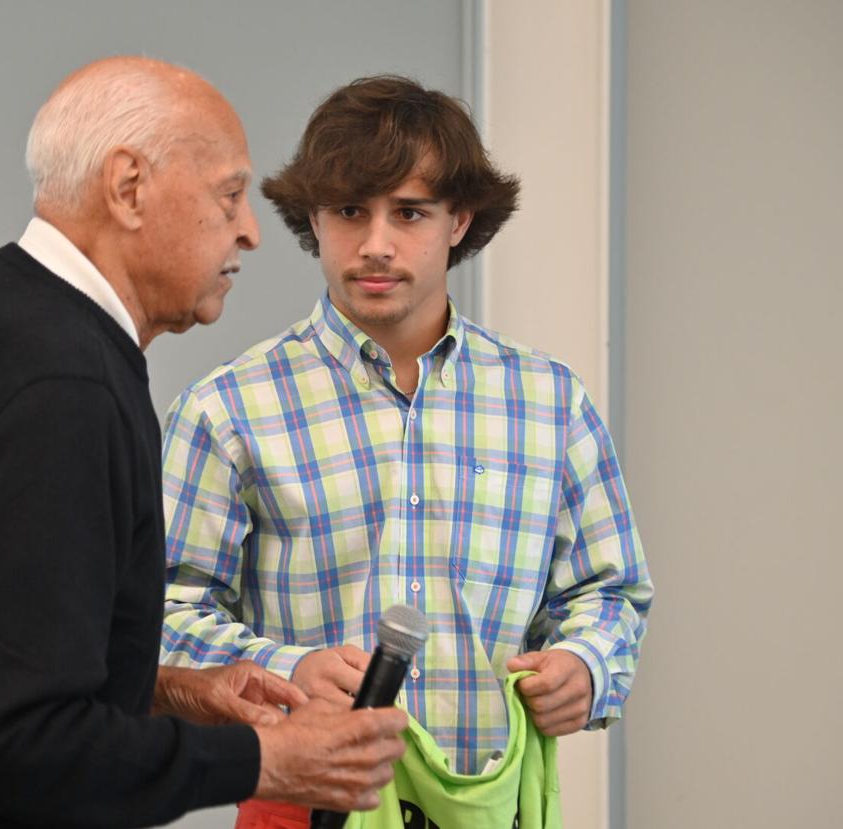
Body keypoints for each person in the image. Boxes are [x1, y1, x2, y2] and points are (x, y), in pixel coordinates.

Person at [0, 57, 407, 829]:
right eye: (229, 193)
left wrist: (170, 689)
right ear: (129, 188)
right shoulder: (61, 390)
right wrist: (270, 759)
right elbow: (17, 743)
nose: (251, 230)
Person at [158, 75, 654, 827]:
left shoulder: (551, 403)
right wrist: (288, 670)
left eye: (410, 212)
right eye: (351, 211)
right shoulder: (226, 410)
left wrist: (587, 664)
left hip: (493, 804)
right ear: (312, 220)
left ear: (460, 220)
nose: (377, 243)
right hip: (307, 808)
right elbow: (163, 613)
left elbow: (609, 592)